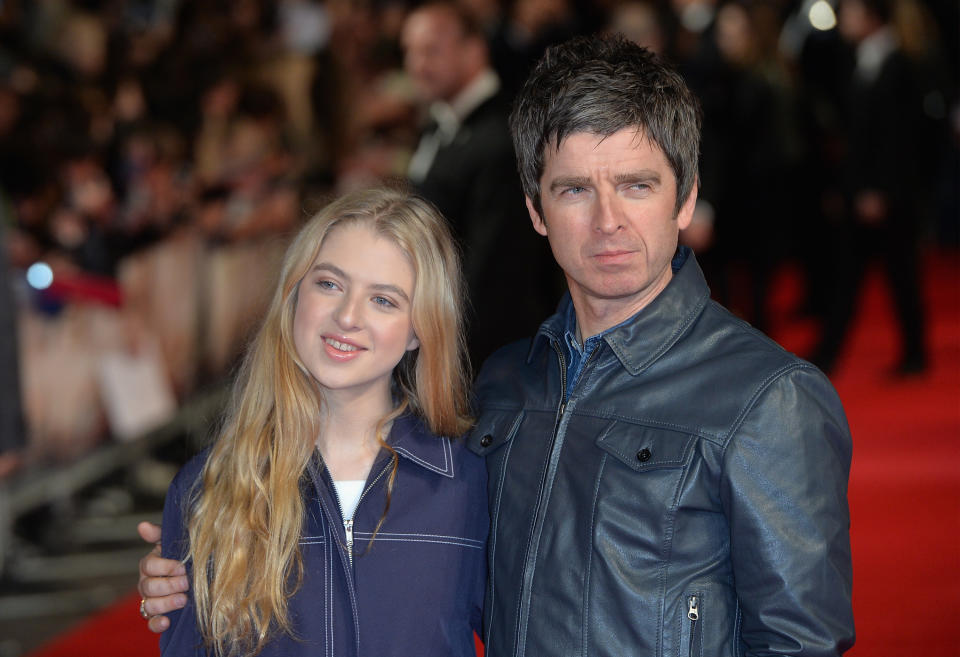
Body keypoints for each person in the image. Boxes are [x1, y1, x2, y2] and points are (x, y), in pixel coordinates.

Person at [141, 35, 855, 656]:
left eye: (637, 185)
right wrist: (213, 554)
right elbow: (428, 581)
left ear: (687, 197)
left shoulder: (768, 397)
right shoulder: (504, 389)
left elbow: (799, 641)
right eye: (575, 190)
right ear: (536, 211)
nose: (608, 220)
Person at [148, 186, 487, 656]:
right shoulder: (206, 488)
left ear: (419, 329)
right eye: (329, 284)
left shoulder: (473, 482)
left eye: (384, 300)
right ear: (294, 294)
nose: (347, 316)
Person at [401, 1, 558, 365]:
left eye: (430, 50)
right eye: (408, 51)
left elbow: (495, 278)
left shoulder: (503, 140)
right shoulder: (442, 124)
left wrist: (430, 359)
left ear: (473, 51)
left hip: (482, 359)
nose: (415, 65)